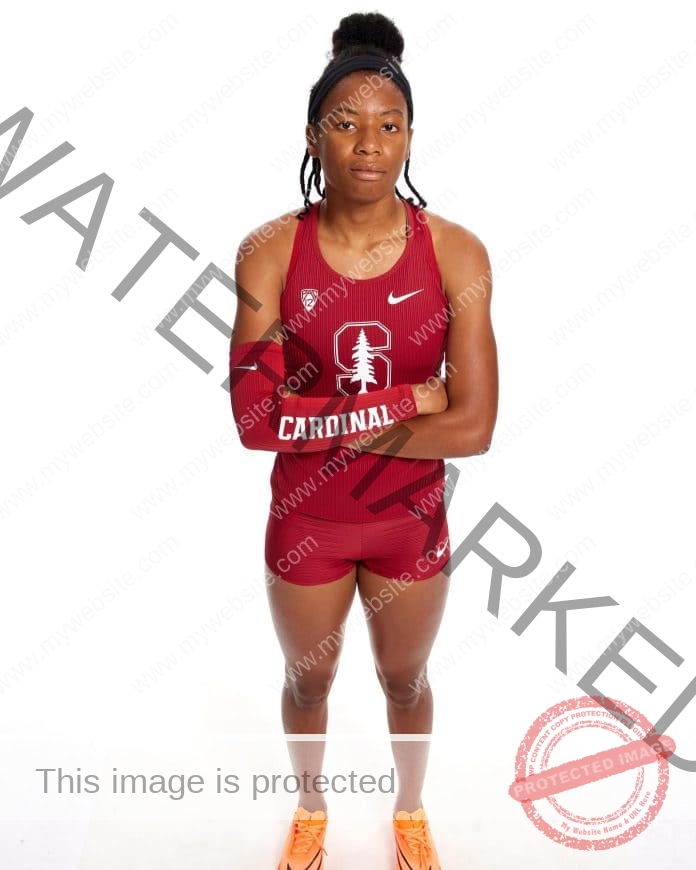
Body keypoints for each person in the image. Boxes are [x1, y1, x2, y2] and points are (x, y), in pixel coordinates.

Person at [229, 11, 498, 869]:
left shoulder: (456, 254)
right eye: (345, 124)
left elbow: (475, 426)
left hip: (406, 524)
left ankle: (408, 812)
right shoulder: (270, 252)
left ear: (412, 136)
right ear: (314, 134)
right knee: (309, 680)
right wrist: (397, 406)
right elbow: (252, 422)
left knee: (404, 682)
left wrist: (333, 429)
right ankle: (310, 810)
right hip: (306, 522)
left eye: (388, 126)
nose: (368, 144)